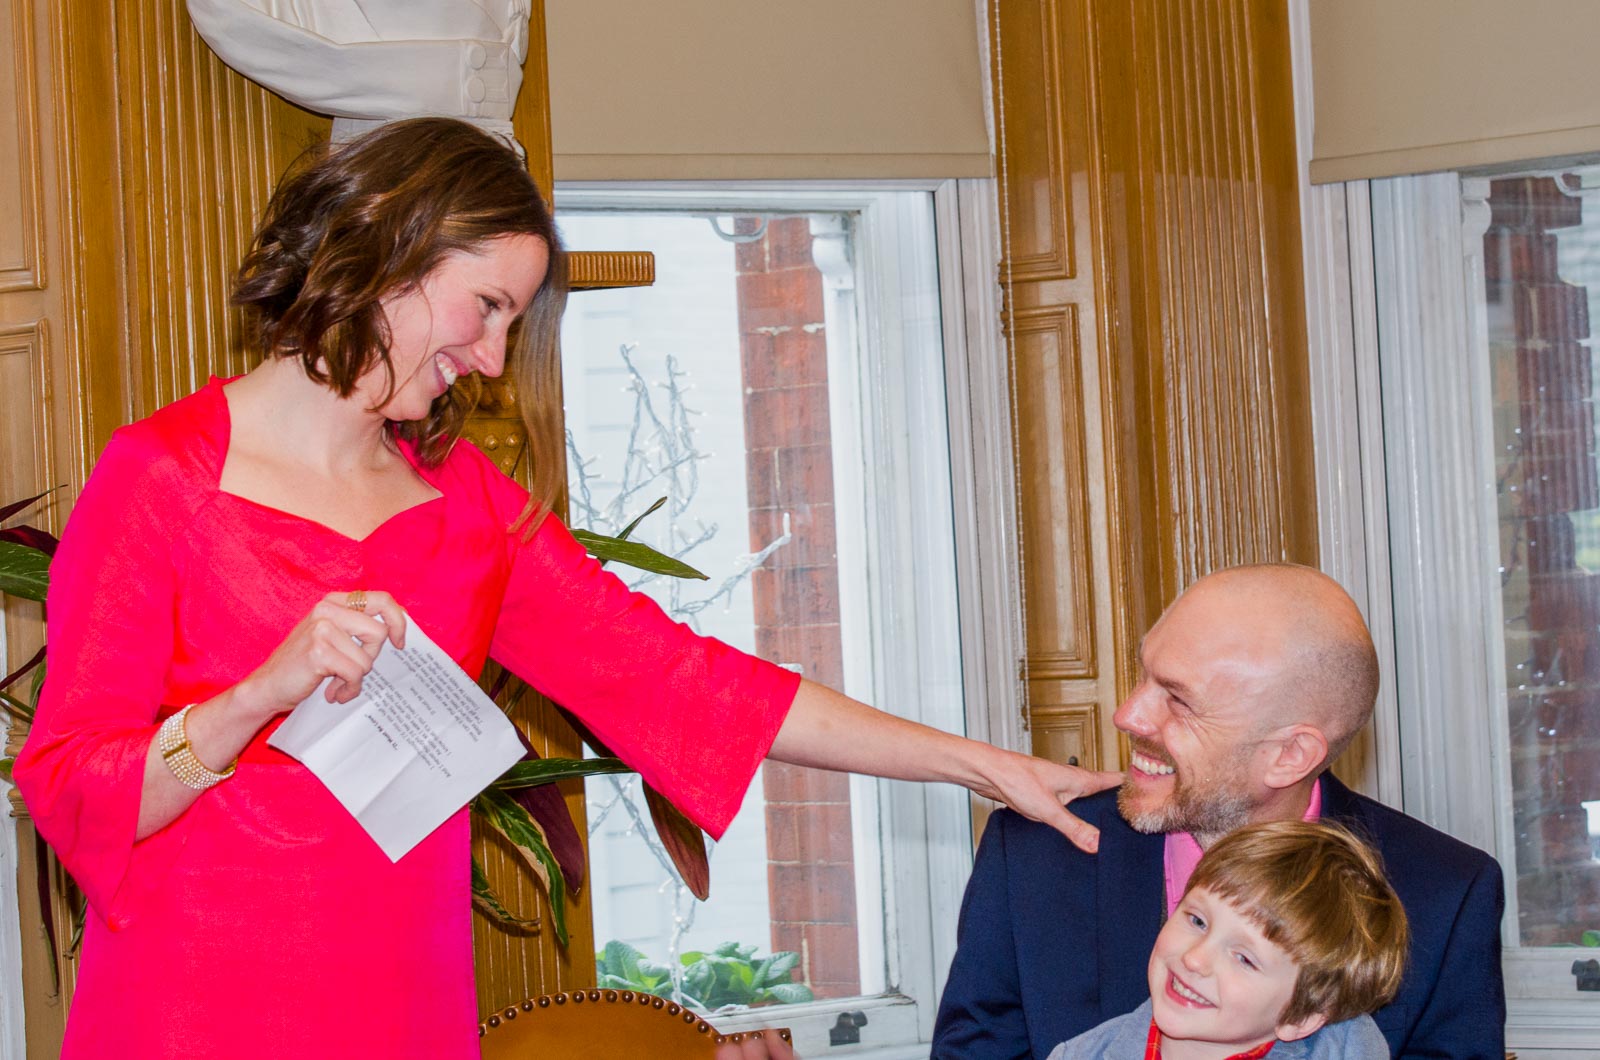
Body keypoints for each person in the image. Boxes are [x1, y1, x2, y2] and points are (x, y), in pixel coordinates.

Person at [12, 117, 1119, 1059]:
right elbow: (69, 786)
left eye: (512, 322)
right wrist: (256, 695)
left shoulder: (470, 508)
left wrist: (980, 766)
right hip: (193, 1000)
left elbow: (688, 682)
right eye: (484, 305)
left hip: (405, 998)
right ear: (388, 248)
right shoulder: (161, 476)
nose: (493, 359)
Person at [934, 564, 1507, 1059]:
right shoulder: (1036, 850)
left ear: (1290, 755)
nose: (1129, 715)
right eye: (1144, 676)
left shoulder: (1444, 893)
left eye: (1179, 701)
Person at [1046, 820, 1406, 1060]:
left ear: (1301, 1019)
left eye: (1244, 958)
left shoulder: (1348, 1048)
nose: (1195, 959)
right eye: (1198, 920)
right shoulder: (1081, 1054)